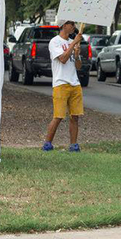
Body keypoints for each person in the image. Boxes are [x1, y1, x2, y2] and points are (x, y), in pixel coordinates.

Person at [43, 20, 85, 152]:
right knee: (59, 116)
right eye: (71, 24)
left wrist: (77, 55)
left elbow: (78, 66)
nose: (74, 27)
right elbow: (62, 59)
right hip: (61, 83)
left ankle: (73, 145)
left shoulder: (72, 43)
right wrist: (73, 44)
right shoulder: (55, 42)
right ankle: (47, 144)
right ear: (64, 25)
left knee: (75, 116)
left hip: (75, 83)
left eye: (74, 24)